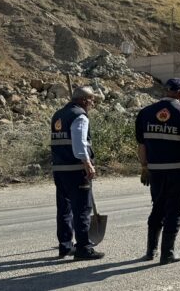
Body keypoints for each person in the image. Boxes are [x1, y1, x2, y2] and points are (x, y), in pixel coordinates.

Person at [136, 78, 180, 264]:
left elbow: (141, 145)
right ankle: (167, 254)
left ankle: (151, 252)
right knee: (175, 210)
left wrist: (144, 166)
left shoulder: (145, 113)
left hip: (156, 172)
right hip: (179, 172)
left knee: (157, 208)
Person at [50, 86, 105, 260]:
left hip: (59, 169)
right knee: (82, 209)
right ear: (83, 100)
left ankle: (65, 246)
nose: (93, 103)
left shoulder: (58, 114)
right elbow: (79, 143)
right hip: (76, 169)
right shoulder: (79, 116)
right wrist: (88, 164)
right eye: (91, 100)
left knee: (64, 209)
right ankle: (83, 248)